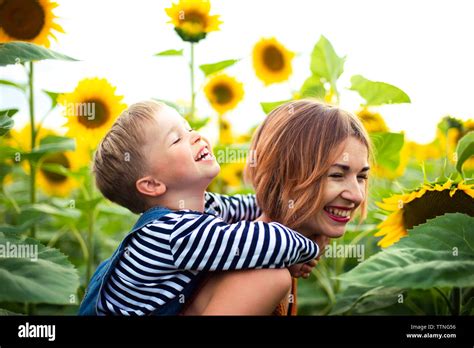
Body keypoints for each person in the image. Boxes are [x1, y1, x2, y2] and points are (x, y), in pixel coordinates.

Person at [78, 100, 321, 316]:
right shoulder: (172, 234)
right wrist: (308, 248)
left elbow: (256, 206)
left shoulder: (206, 206)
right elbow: (258, 240)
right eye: (176, 139)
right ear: (152, 184)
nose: (195, 136)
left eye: (189, 128)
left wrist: (303, 199)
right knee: (270, 275)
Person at [183, 99, 371, 315]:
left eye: (361, 176)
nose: (357, 195)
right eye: (337, 175)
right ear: (283, 175)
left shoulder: (279, 260)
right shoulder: (266, 277)